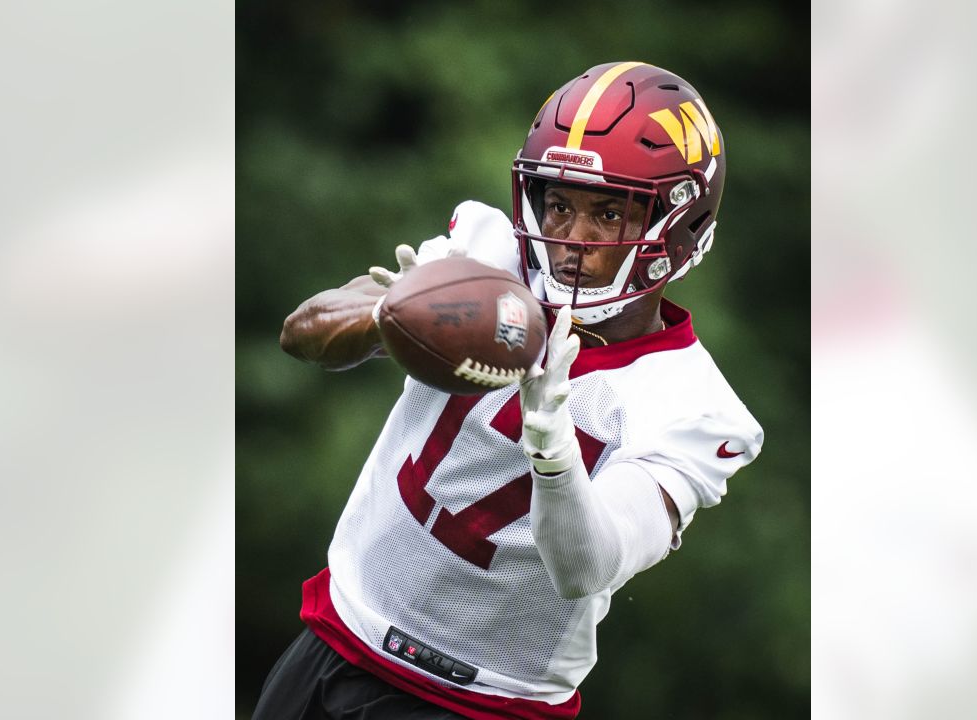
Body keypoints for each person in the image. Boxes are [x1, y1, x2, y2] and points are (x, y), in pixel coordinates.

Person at [257, 61, 764, 720]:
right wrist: (392, 313)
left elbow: (589, 564)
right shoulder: (487, 261)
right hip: (335, 640)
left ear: (678, 225)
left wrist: (554, 452)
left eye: (608, 212)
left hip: (481, 706)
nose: (571, 240)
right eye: (558, 203)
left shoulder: (688, 402)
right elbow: (302, 333)